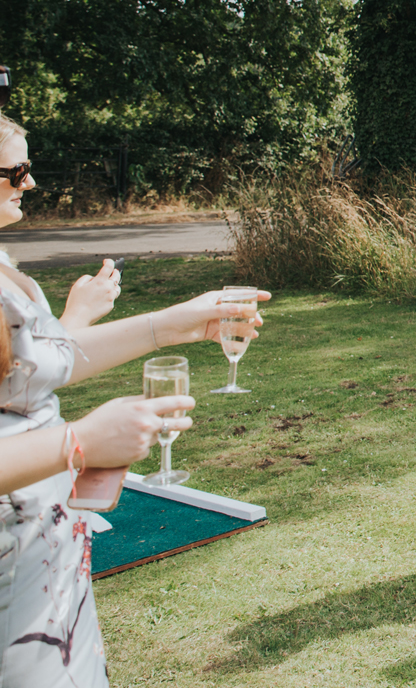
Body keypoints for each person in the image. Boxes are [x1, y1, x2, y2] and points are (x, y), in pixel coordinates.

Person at [1, 112, 265, 687]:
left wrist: (177, 323)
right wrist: (78, 443)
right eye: (16, 170)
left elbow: (41, 366)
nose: (31, 184)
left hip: (40, 567)